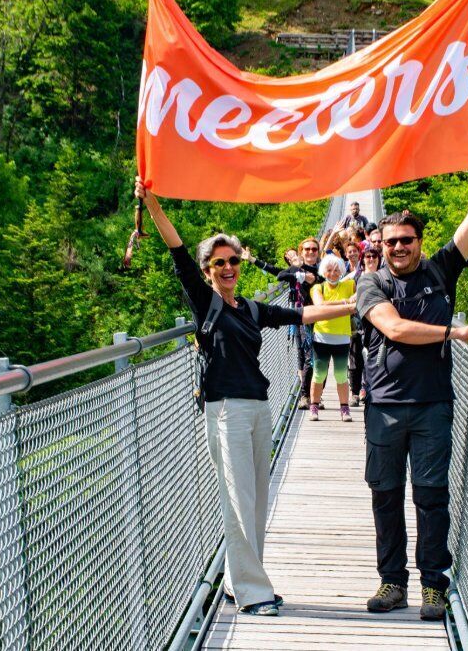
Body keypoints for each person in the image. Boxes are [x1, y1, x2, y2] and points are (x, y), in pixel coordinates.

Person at [135, 178, 355, 617]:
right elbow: (177, 251)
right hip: (225, 410)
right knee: (238, 501)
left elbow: (303, 312)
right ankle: (254, 593)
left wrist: (353, 306)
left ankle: (239, 583)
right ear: (208, 271)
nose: (229, 267)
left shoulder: (251, 309)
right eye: (219, 263)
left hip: (258, 406)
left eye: (233, 260)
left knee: (256, 498)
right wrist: (152, 202)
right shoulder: (206, 302)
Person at [355, 135, 468, 621]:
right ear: (380, 247)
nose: (398, 248)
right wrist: (453, 331)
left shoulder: (442, 271)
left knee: (430, 496)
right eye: (390, 243)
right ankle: (391, 582)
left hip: (431, 406)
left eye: (407, 240)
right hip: (384, 406)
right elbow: (394, 327)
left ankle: (432, 586)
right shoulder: (372, 282)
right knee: (386, 496)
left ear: (419, 243)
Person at [276, 238, 323, 409]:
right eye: (307, 249)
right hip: (304, 317)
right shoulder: (299, 269)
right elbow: (280, 275)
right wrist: (299, 273)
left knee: (321, 358)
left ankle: (317, 396)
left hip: (323, 317)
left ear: (318, 252)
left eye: (314, 249)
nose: (310, 252)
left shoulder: (323, 269)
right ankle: (305, 396)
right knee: (310, 356)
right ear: (301, 252)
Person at [309, 255, 356, 421]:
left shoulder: (350, 284)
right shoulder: (317, 288)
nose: (333, 273)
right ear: (324, 272)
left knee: (341, 375)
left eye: (337, 270)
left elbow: (360, 295)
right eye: (329, 270)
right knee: (319, 374)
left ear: (342, 271)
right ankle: (314, 407)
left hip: (342, 337)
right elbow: (320, 305)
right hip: (322, 336)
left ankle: (344, 409)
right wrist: (345, 303)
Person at [347, 246, 381, 406]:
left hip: (377, 323)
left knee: (373, 358)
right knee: (355, 359)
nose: (371, 259)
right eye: (368, 257)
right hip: (357, 322)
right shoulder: (355, 277)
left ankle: (367, 389)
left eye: (374, 256)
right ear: (363, 260)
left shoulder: (384, 276)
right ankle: (354, 392)